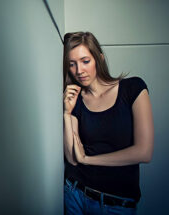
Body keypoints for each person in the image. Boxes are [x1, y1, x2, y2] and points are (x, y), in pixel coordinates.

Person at [63, 32, 154, 215]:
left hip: (116, 205)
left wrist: (88, 159)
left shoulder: (133, 89)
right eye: (72, 64)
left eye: (85, 61)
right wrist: (66, 113)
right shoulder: (77, 100)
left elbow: (144, 152)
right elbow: (73, 158)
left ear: (99, 59)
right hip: (75, 195)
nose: (79, 70)